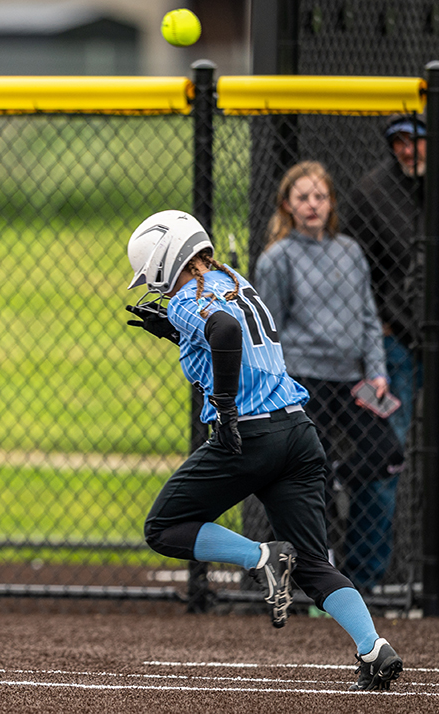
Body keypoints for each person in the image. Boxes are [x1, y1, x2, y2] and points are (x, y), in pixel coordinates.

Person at [125, 209, 403, 691]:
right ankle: (374, 648)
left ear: (165, 261)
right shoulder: (236, 279)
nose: (155, 288)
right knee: (313, 564)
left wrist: (225, 408)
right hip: (298, 432)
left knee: (163, 528)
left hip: (250, 436)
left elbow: (225, 333)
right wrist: (175, 332)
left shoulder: (185, 298)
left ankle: (260, 556)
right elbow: (233, 333)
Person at [253, 161, 404, 593]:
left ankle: (336, 477)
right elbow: (268, 329)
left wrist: (376, 371)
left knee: (389, 453)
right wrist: (277, 384)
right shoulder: (278, 258)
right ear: (287, 205)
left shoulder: (350, 251)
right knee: (303, 482)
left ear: (331, 202)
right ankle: (310, 579)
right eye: (303, 197)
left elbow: (369, 318)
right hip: (303, 380)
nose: (313, 205)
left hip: (351, 380)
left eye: (320, 196)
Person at [345, 114, 425, 449]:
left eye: (415, 140)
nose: (407, 150)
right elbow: (355, 269)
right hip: (398, 336)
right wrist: (379, 322)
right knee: (393, 441)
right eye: (398, 143)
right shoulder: (373, 193)